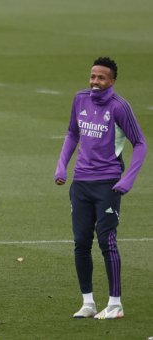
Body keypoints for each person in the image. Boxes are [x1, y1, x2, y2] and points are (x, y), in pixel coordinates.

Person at [55, 57, 147, 320]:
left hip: (108, 184)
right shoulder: (80, 99)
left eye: (101, 78)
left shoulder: (120, 107)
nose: (95, 82)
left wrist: (127, 178)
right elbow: (72, 133)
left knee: (107, 242)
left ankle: (115, 304)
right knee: (81, 243)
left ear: (112, 81)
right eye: (93, 76)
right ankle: (88, 303)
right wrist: (61, 165)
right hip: (80, 183)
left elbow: (140, 143)